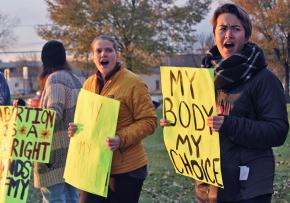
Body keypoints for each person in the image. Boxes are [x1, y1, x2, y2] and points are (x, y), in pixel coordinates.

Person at [160, 3, 288, 203]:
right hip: (209, 184)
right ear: (214, 35)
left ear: (246, 36)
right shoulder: (201, 79)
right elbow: (196, 122)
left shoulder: (264, 79)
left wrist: (229, 125)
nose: (229, 34)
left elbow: (277, 131)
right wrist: (176, 123)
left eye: (236, 29)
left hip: (249, 187)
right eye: (223, 28)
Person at [68, 35, 157, 203]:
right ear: (93, 56)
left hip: (127, 169)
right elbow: (87, 120)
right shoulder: (88, 84)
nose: (104, 55)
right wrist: (76, 129)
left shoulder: (133, 83)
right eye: (98, 51)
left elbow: (149, 121)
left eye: (109, 50)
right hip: (93, 166)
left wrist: (120, 138)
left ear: (117, 54)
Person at [33, 40, 82, 203]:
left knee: (55, 199)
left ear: (44, 60)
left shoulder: (55, 79)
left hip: (54, 155)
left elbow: (54, 112)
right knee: (72, 198)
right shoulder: (75, 79)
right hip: (72, 153)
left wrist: (27, 118)